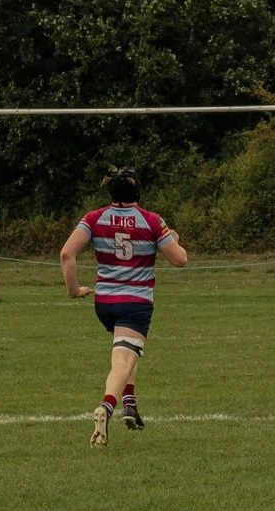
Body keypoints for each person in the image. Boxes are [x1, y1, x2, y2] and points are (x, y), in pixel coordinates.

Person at [60, 167, 189, 444]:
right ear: (137, 191)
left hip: (104, 302)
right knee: (123, 359)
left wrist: (74, 290)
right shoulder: (152, 220)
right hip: (135, 301)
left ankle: (130, 401)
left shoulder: (94, 218)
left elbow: (67, 254)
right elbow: (179, 260)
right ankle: (106, 407)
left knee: (127, 349)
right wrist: (174, 238)